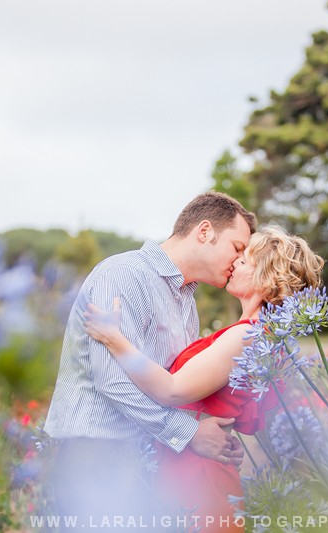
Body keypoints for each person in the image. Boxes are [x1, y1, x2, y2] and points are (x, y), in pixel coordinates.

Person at [83, 227, 324, 533]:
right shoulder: (259, 335)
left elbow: (171, 391)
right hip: (196, 459)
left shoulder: (245, 336)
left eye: (246, 260)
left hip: (198, 471)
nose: (235, 263)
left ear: (266, 279)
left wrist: (114, 339)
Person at [42, 192, 256, 527]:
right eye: (237, 247)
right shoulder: (123, 275)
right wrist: (191, 434)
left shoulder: (185, 300)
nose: (238, 260)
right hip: (96, 454)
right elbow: (112, 380)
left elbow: (172, 384)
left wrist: (216, 439)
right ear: (205, 231)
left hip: (144, 458)